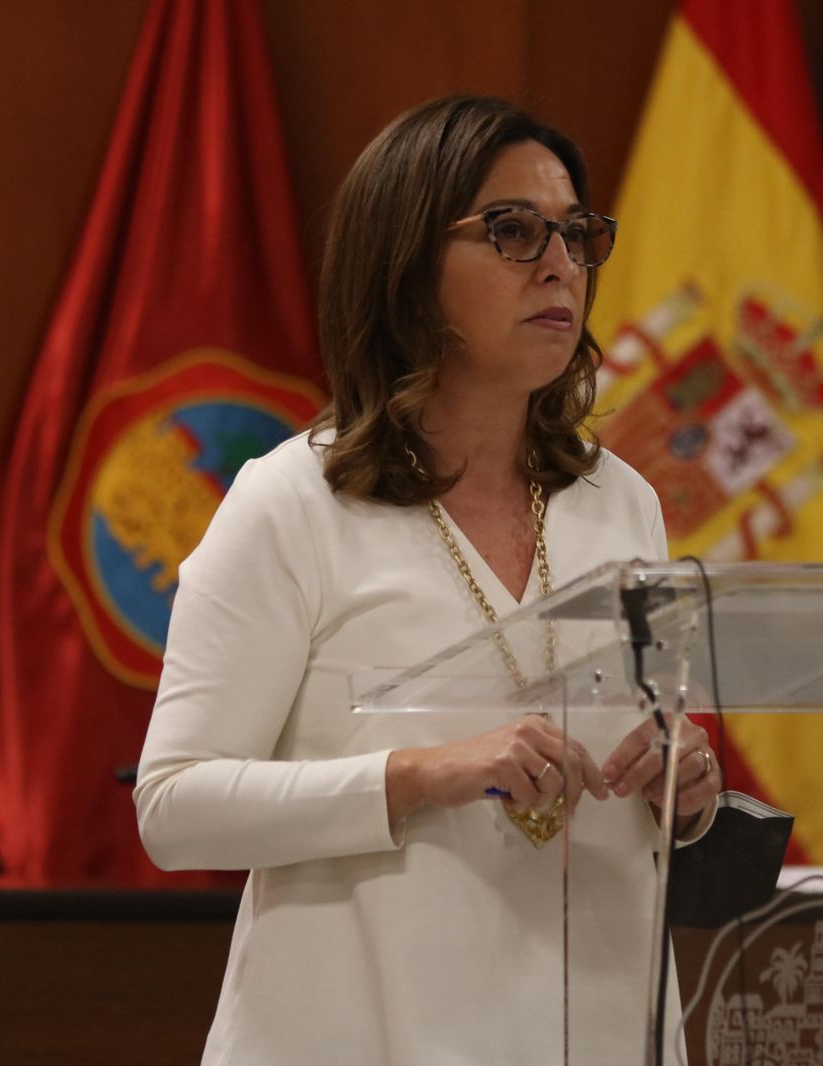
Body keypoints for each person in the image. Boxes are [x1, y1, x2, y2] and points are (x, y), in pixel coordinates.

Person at [134, 95, 721, 1064]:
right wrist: (423, 773)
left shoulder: (622, 503)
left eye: (577, 234)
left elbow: (647, 784)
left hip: (597, 1027)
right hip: (361, 1034)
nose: (558, 262)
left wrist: (683, 788)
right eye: (513, 232)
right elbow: (174, 807)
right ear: (405, 270)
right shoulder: (292, 502)